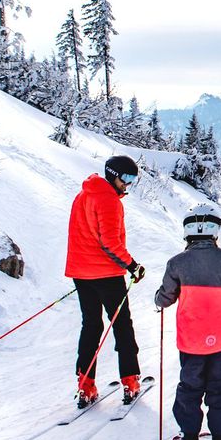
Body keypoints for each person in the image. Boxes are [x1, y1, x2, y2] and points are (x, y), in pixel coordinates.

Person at [155, 203, 221, 440]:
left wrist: (158, 298)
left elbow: (165, 297)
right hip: (220, 339)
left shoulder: (176, 263)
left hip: (191, 342)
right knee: (218, 389)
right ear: (215, 231)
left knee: (190, 389)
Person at [64, 155, 146, 407]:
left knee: (91, 326)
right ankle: (130, 380)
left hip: (81, 273)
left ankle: (85, 384)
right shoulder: (109, 200)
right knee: (121, 325)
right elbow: (110, 242)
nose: (129, 184)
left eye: (133, 179)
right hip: (107, 275)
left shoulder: (83, 195)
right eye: (127, 178)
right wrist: (132, 266)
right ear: (113, 174)